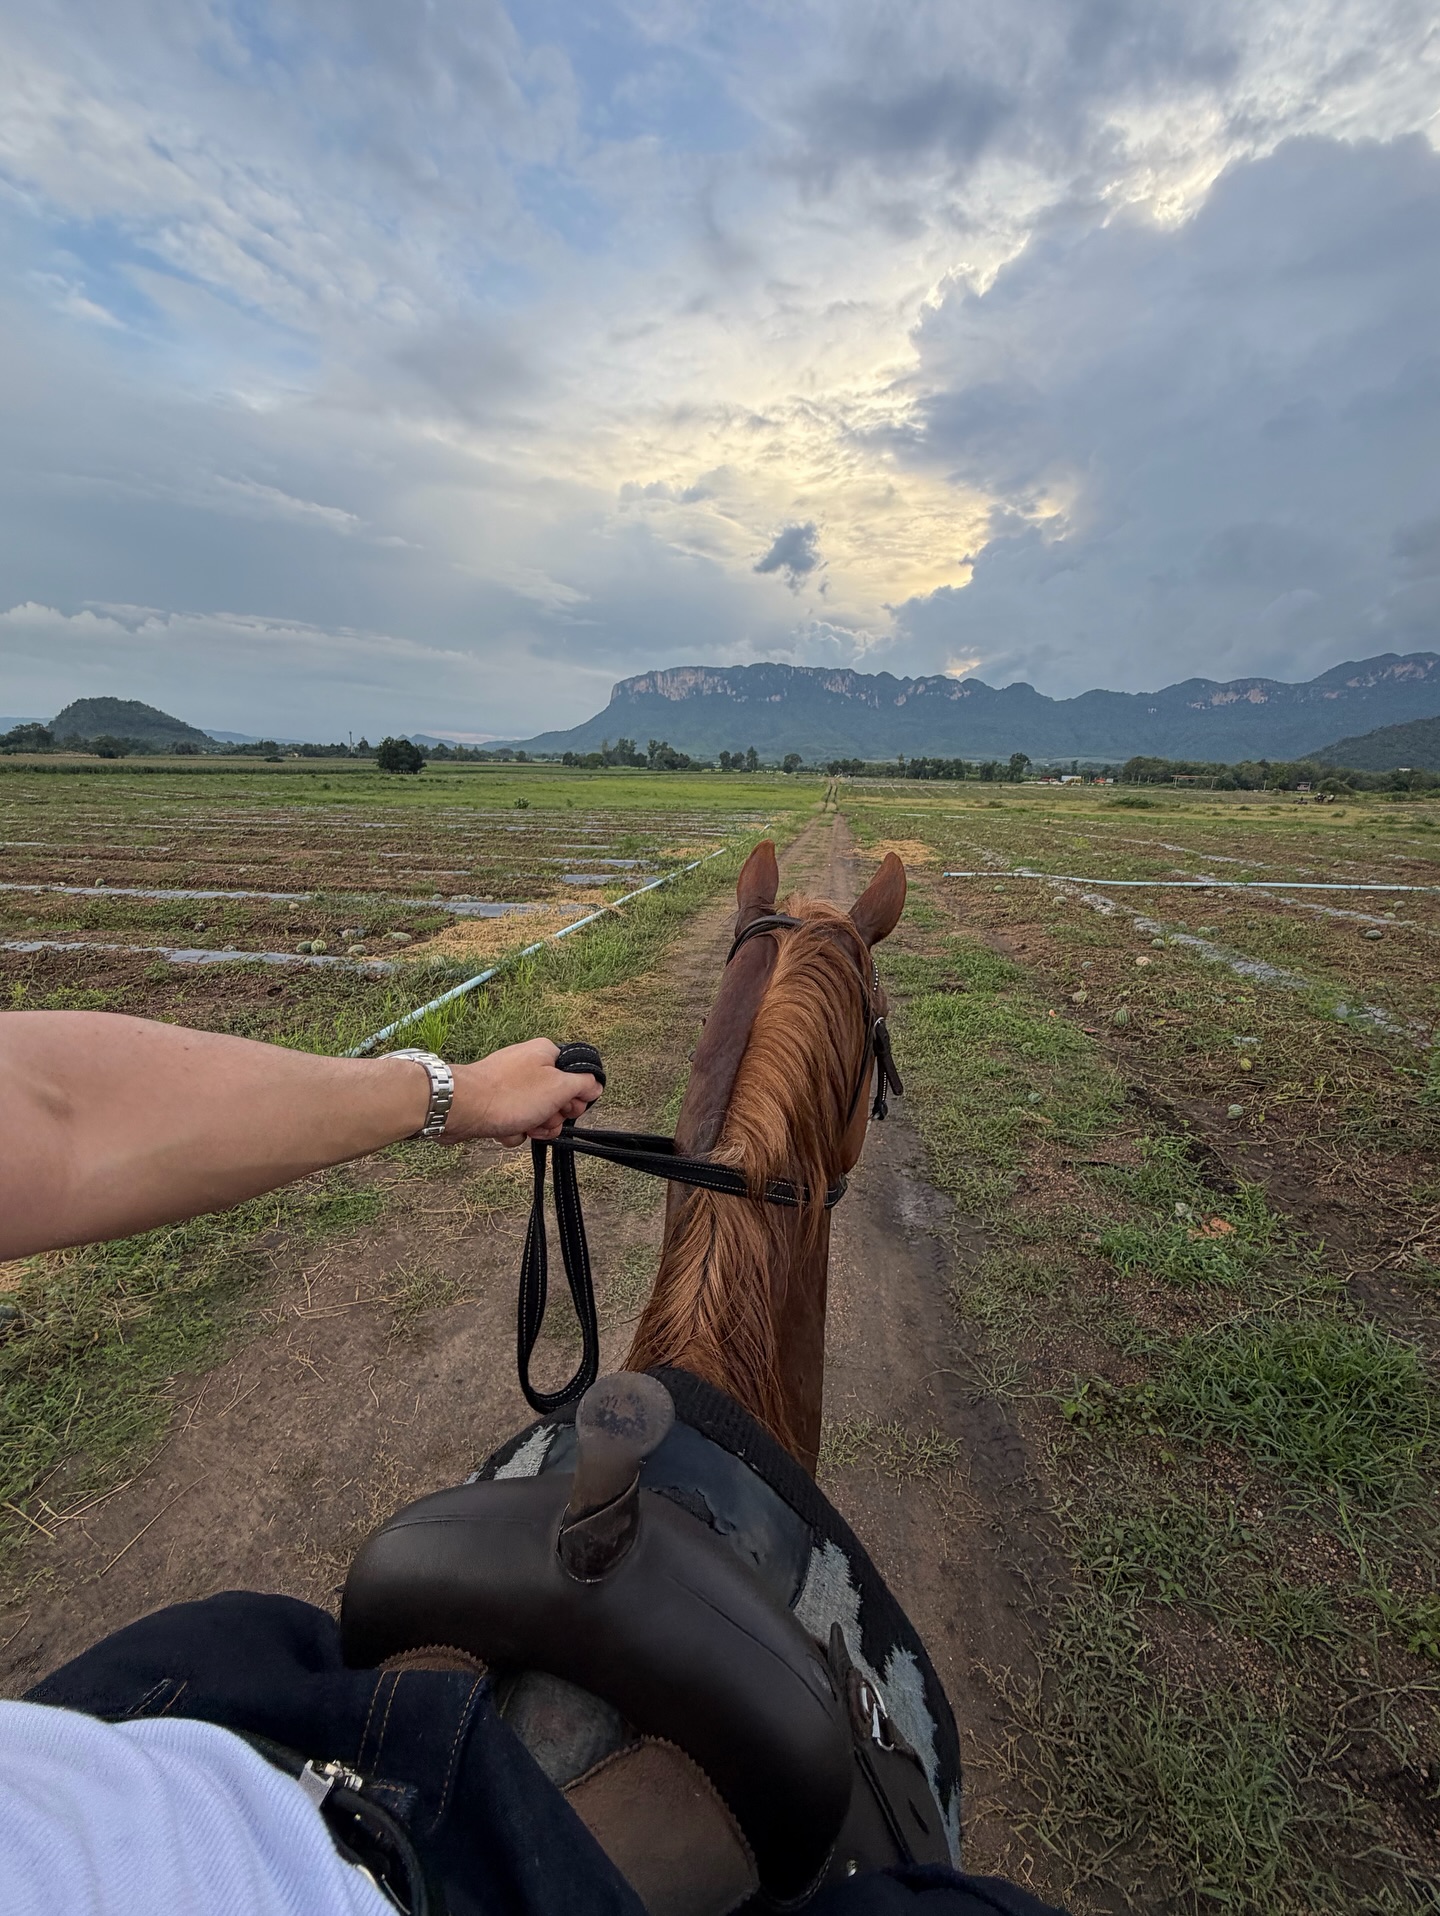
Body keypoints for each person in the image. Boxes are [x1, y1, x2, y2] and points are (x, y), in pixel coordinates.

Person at [0, 1010, 1066, 1916]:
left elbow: (47, 1109)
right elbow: (53, 1111)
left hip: (162, 1713)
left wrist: (452, 1094)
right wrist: (447, 1094)